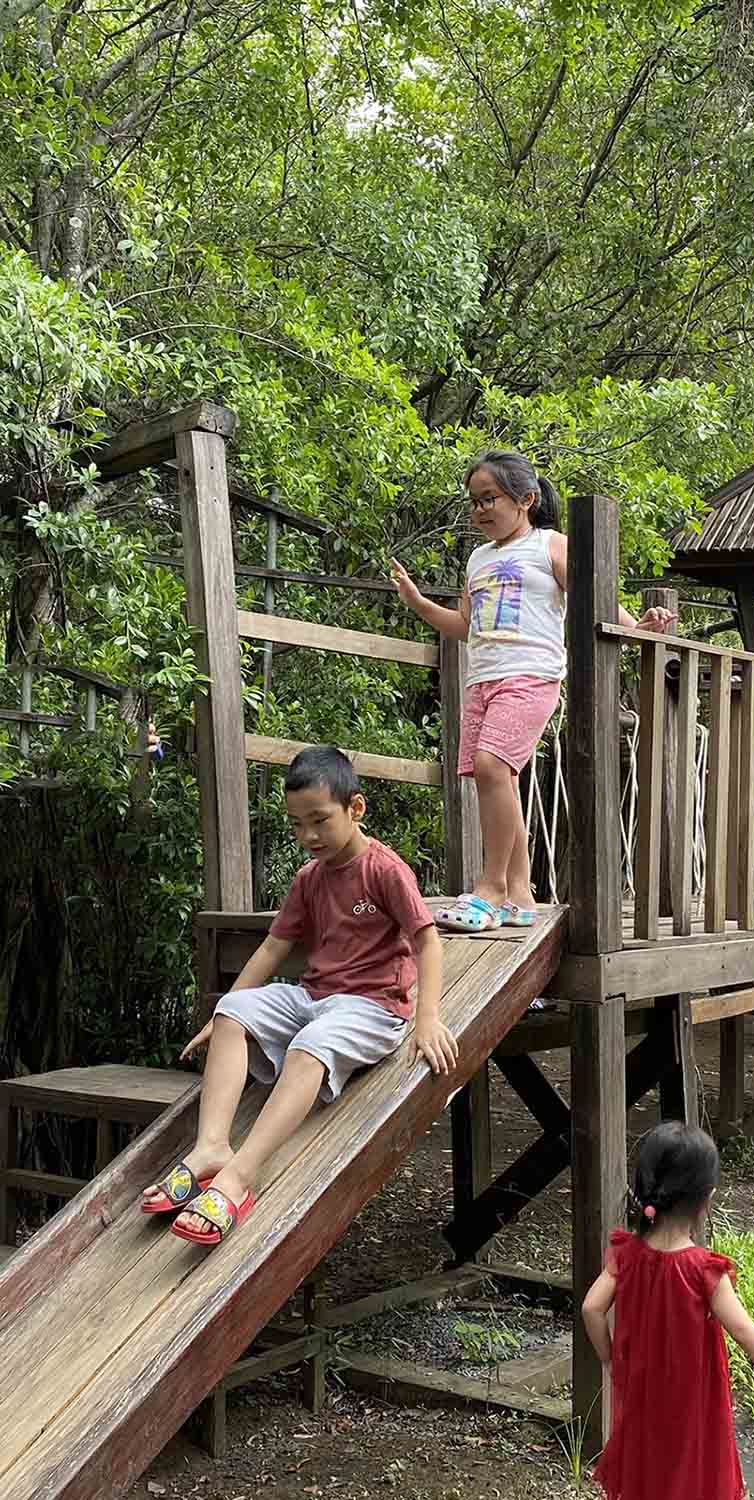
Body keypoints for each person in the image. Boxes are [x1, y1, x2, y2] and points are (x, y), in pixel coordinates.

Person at [140, 745, 455, 1246]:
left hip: (373, 1008)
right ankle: (211, 1146)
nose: (309, 836)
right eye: (297, 825)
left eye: (320, 820)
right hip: (315, 997)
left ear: (355, 808)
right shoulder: (310, 878)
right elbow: (273, 947)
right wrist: (221, 1017)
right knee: (231, 1010)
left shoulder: (384, 869)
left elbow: (427, 941)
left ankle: (239, 1176)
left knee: (309, 1045)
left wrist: (428, 1018)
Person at [392, 451, 673, 933]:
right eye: (474, 501)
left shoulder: (549, 544)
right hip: (483, 679)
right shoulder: (478, 559)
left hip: (531, 675)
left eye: (490, 498)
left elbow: (595, 598)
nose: (480, 510)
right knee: (495, 780)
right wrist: (418, 602)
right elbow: (465, 626)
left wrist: (638, 627)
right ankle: (520, 895)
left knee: (491, 767)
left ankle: (490, 888)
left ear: (526, 499)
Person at [581, 1122, 754, 1500]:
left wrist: (610, 1360)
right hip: (692, 1402)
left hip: (641, 1393)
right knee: (691, 1475)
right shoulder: (704, 1270)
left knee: (648, 1470)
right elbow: (745, 1330)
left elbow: (591, 1308)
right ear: (707, 1198)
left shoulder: (625, 1256)